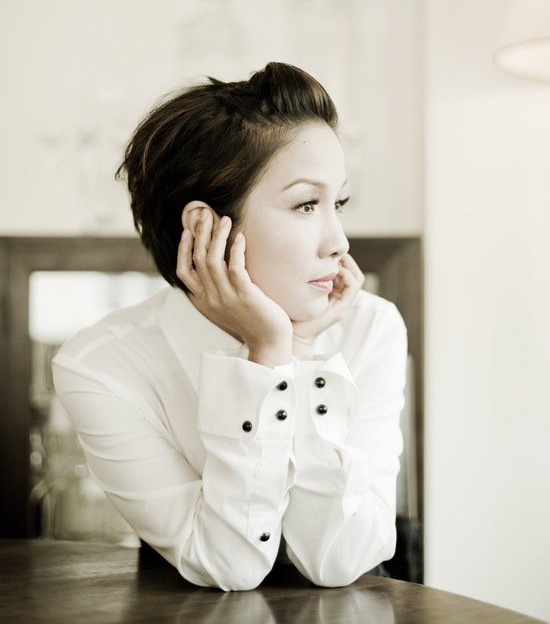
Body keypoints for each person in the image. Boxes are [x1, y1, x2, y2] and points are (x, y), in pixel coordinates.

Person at [52, 61, 407, 591]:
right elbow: (227, 564)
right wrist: (268, 354)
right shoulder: (101, 367)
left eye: (339, 202)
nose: (339, 241)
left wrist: (298, 350)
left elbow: (341, 560)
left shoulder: (369, 326)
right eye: (306, 204)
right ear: (204, 228)